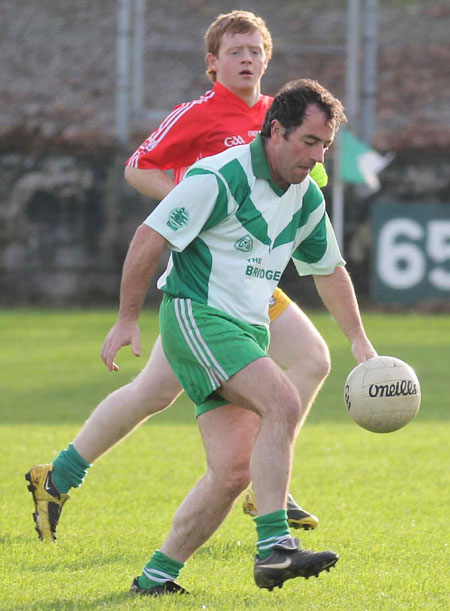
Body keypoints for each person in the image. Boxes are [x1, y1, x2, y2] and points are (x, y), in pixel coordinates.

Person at [25, 10, 326, 544]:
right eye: (235, 51)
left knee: (310, 360)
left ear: (267, 59)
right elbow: (137, 166)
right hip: (205, 280)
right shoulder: (198, 113)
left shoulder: (279, 119)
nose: (247, 59)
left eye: (255, 50)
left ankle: (261, 483)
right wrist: (189, 206)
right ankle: (61, 475)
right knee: (151, 394)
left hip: (250, 281)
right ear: (213, 64)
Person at [109, 78, 375, 595]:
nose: (316, 156)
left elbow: (328, 269)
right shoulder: (221, 174)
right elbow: (150, 235)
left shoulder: (304, 195)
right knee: (282, 400)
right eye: (308, 142)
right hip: (197, 315)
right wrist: (126, 318)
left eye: (324, 146)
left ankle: (156, 577)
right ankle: (276, 547)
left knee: (232, 472)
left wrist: (360, 341)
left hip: (245, 329)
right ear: (275, 131)